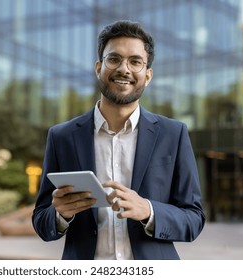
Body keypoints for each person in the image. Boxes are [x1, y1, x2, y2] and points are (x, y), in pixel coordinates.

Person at [32, 20, 205, 260]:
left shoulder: (173, 134)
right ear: (98, 68)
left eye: (135, 62)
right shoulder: (62, 136)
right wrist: (60, 214)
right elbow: (42, 222)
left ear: (148, 75)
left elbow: (194, 219)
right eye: (114, 59)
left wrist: (149, 210)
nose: (124, 69)